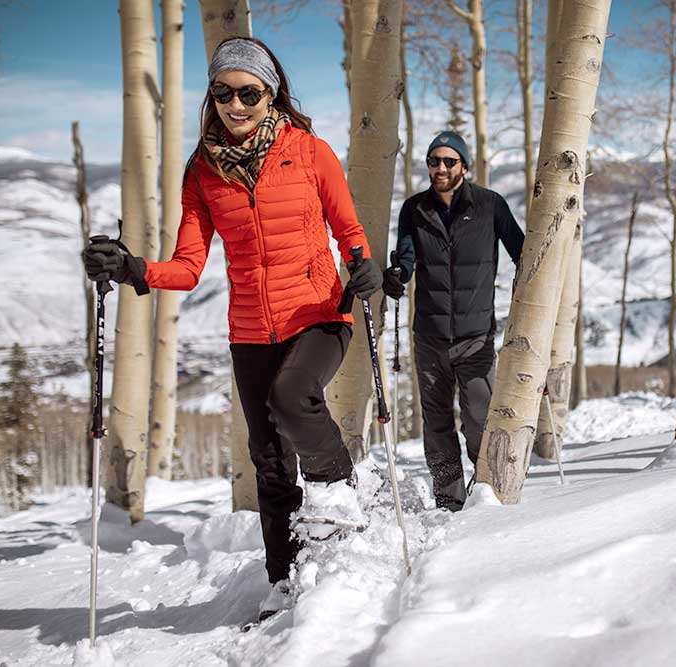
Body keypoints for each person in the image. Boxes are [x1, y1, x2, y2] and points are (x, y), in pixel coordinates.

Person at [81, 37, 382, 621]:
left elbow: (349, 229)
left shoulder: (310, 151)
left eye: (249, 92)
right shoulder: (203, 171)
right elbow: (188, 267)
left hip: (320, 313)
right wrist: (132, 267)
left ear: (271, 94)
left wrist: (362, 264)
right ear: (212, 97)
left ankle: (339, 488)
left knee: (291, 398)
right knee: (268, 460)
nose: (236, 105)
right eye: (224, 93)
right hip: (250, 330)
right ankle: (286, 581)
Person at [383, 130, 524, 512]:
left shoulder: (489, 205)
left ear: (464, 165)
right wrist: (397, 275)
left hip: (476, 336)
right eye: (434, 161)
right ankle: (449, 500)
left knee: (479, 417)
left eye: (449, 161)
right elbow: (407, 259)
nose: (440, 168)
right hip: (429, 336)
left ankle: (485, 491)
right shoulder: (414, 209)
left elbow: (521, 252)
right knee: (436, 423)